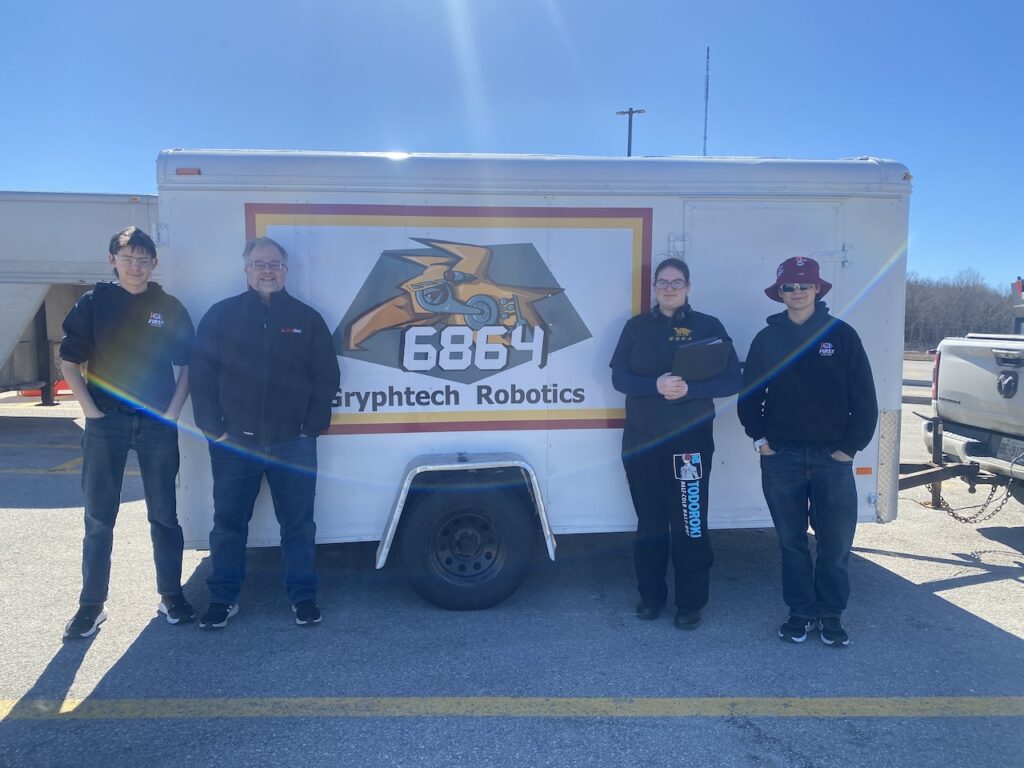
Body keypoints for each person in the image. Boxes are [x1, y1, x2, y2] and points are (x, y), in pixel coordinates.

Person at [190, 237, 340, 630]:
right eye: (259, 264)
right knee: (228, 524)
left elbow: (326, 376)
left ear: (286, 271)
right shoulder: (221, 316)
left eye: (275, 264)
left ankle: (303, 596)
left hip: (294, 443)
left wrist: (311, 428)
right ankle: (223, 598)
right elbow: (201, 375)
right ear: (246, 270)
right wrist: (212, 429)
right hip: (234, 444)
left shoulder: (306, 319)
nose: (267, 270)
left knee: (299, 524)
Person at [60, 226, 195, 639]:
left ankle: (171, 595)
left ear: (154, 263)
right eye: (128, 257)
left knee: (164, 516)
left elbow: (188, 364)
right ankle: (91, 606)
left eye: (144, 259)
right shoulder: (94, 302)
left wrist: (172, 412)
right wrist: (91, 413)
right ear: (112, 260)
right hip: (107, 424)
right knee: (99, 518)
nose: (136, 266)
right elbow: (68, 361)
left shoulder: (168, 306)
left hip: (156, 423)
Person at [738, 256, 878, 647]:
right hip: (781, 458)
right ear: (779, 293)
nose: (796, 292)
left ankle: (830, 615)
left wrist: (849, 449)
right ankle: (800, 614)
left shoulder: (842, 335)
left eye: (804, 285)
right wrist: (760, 440)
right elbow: (749, 395)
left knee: (835, 545)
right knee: (792, 543)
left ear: (817, 289)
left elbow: (864, 400)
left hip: (832, 459)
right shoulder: (768, 339)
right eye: (789, 286)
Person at [610, 258, 741, 629]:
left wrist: (689, 390)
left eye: (677, 282)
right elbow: (619, 376)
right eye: (663, 282)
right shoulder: (636, 327)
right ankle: (650, 598)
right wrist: (654, 385)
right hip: (642, 440)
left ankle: (690, 604)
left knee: (689, 523)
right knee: (649, 522)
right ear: (654, 287)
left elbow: (732, 380)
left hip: (690, 444)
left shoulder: (708, 326)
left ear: (688, 287)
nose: (669, 288)